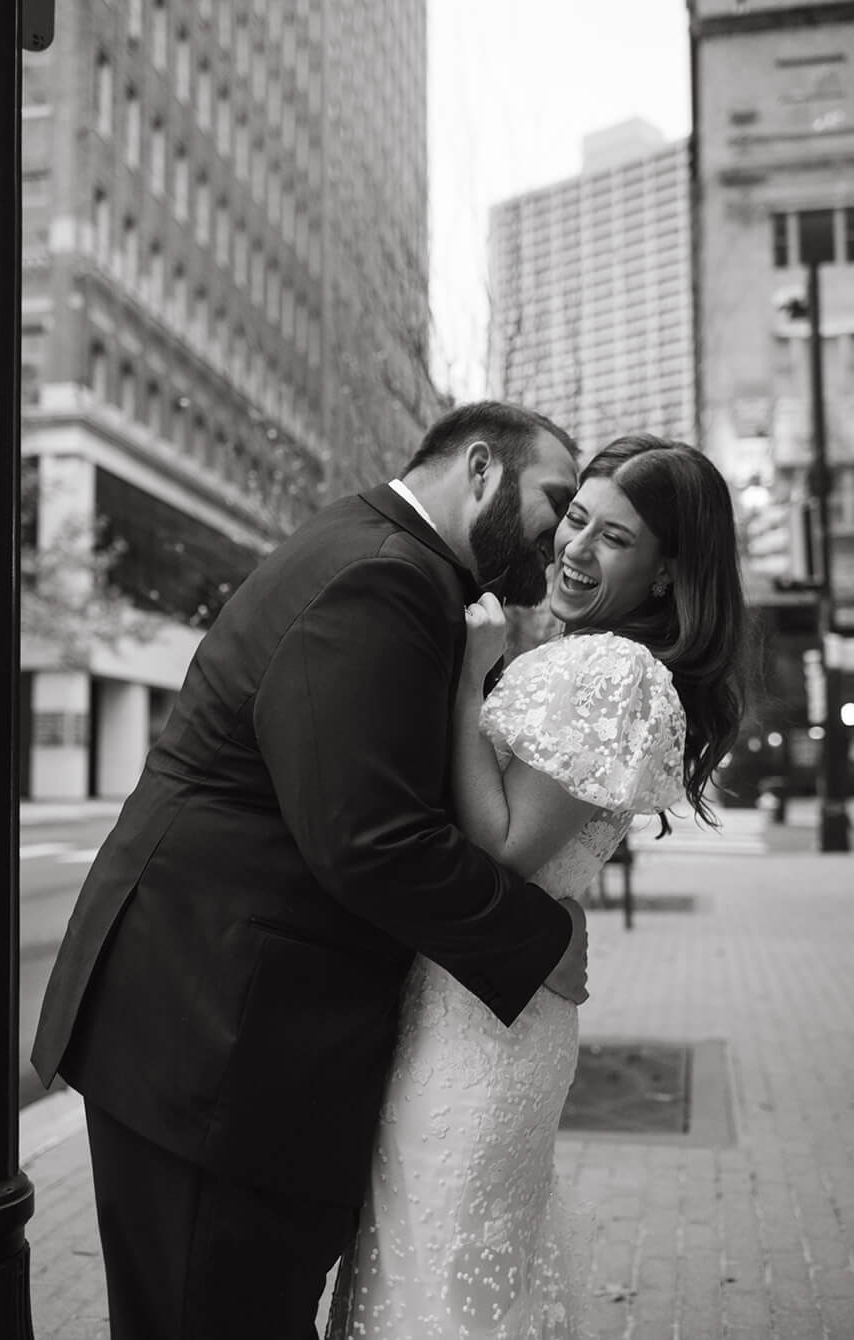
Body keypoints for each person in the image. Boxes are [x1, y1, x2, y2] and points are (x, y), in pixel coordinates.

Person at [31, 401, 591, 1338]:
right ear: (482, 468)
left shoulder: (387, 558)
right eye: (557, 499)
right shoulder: (385, 576)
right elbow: (367, 835)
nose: (559, 532)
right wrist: (537, 938)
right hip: (215, 1044)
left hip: (217, 1033)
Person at [327, 434, 748, 1336]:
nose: (574, 547)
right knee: (437, 1268)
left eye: (615, 539)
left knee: (438, 1281)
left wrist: (468, 682)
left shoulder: (616, 669)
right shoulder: (582, 654)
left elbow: (507, 849)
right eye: (577, 519)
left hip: (482, 1030)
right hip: (473, 1003)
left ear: (670, 576)